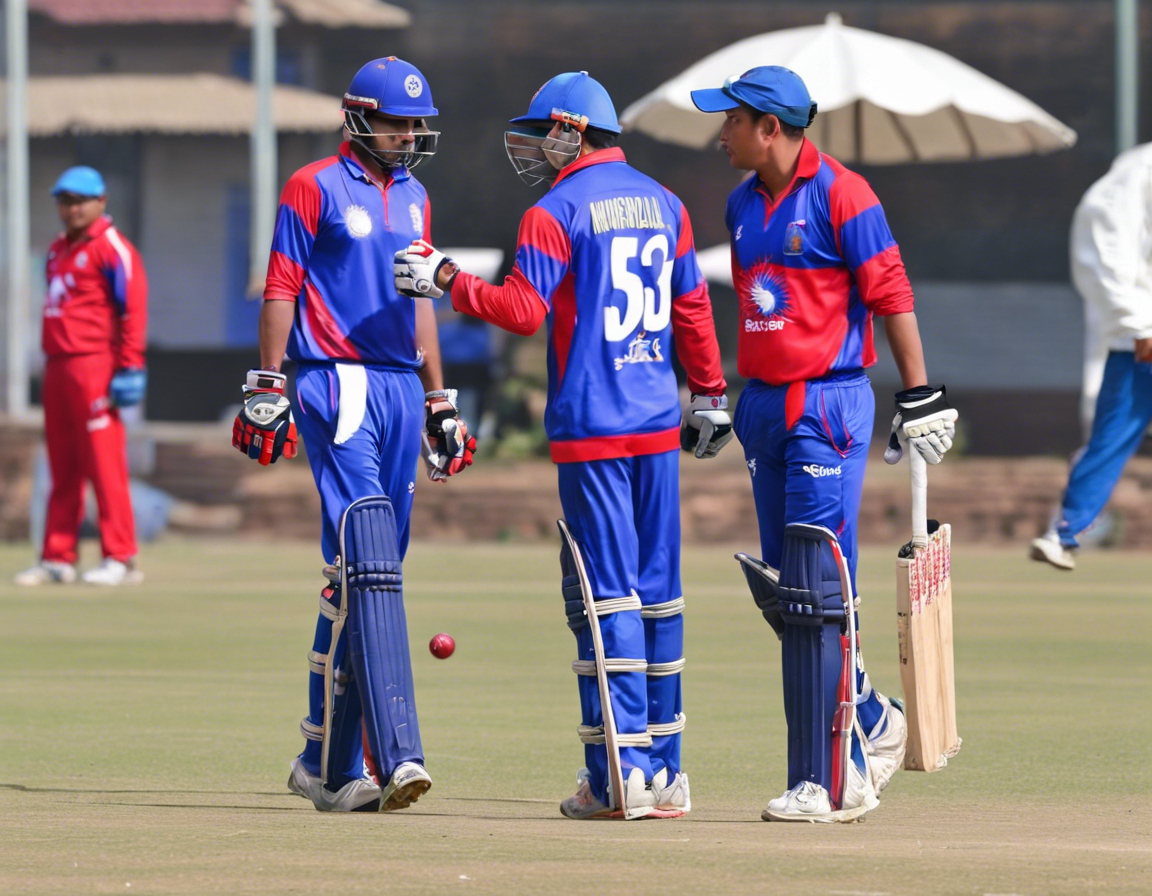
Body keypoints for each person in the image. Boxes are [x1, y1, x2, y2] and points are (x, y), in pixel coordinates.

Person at [394, 71, 732, 820]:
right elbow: (692, 307)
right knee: (658, 597)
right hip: (656, 423)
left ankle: (621, 777)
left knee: (603, 595)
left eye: (544, 129)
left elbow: (519, 311)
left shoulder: (553, 211)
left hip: (594, 430)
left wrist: (446, 277)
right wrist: (710, 394)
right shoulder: (667, 204)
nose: (536, 145)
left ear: (573, 130)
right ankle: (666, 770)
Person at [689, 66, 958, 822]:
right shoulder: (742, 201)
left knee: (816, 586)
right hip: (766, 406)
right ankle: (872, 719)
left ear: (770, 127)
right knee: (787, 588)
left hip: (827, 402)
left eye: (733, 121)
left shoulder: (845, 193)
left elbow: (890, 289)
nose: (722, 135)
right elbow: (753, 307)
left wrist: (918, 391)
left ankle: (831, 779)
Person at [232, 57, 476, 813]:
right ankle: (394, 754)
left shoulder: (416, 195)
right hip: (333, 378)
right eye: (394, 122)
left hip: (402, 384)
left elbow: (424, 297)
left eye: (414, 125)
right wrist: (268, 382)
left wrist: (440, 399)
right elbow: (282, 285)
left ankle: (323, 761)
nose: (406, 136)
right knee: (368, 555)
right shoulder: (314, 185)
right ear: (357, 117)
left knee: (362, 573)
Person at [15, 166, 148, 587]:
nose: (71, 209)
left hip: (95, 365)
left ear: (100, 202)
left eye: (79, 200)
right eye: (64, 200)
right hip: (58, 366)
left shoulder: (113, 248)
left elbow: (133, 309)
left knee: (104, 464)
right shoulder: (57, 249)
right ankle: (57, 556)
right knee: (62, 465)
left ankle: (120, 557)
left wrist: (128, 366)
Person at [1031, 142, 1152, 571]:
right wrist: (1138, 325)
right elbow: (1104, 236)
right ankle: (1065, 529)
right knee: (1109, 440)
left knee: (1109, 439)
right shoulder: (1136, 174)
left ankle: (1064, 531)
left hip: (1136, 338)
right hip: (1141, 340)